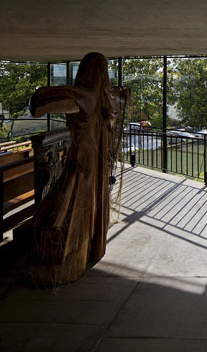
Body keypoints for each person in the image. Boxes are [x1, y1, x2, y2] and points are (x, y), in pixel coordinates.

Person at [29, 52, 129, 286]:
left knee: (70, 201)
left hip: (82, 157)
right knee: (91, 200)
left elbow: (38, 104)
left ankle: (68, 253)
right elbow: (120, 98)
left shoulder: (84, 96)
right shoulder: (110, 98)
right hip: (99, 156)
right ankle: (91, 247)